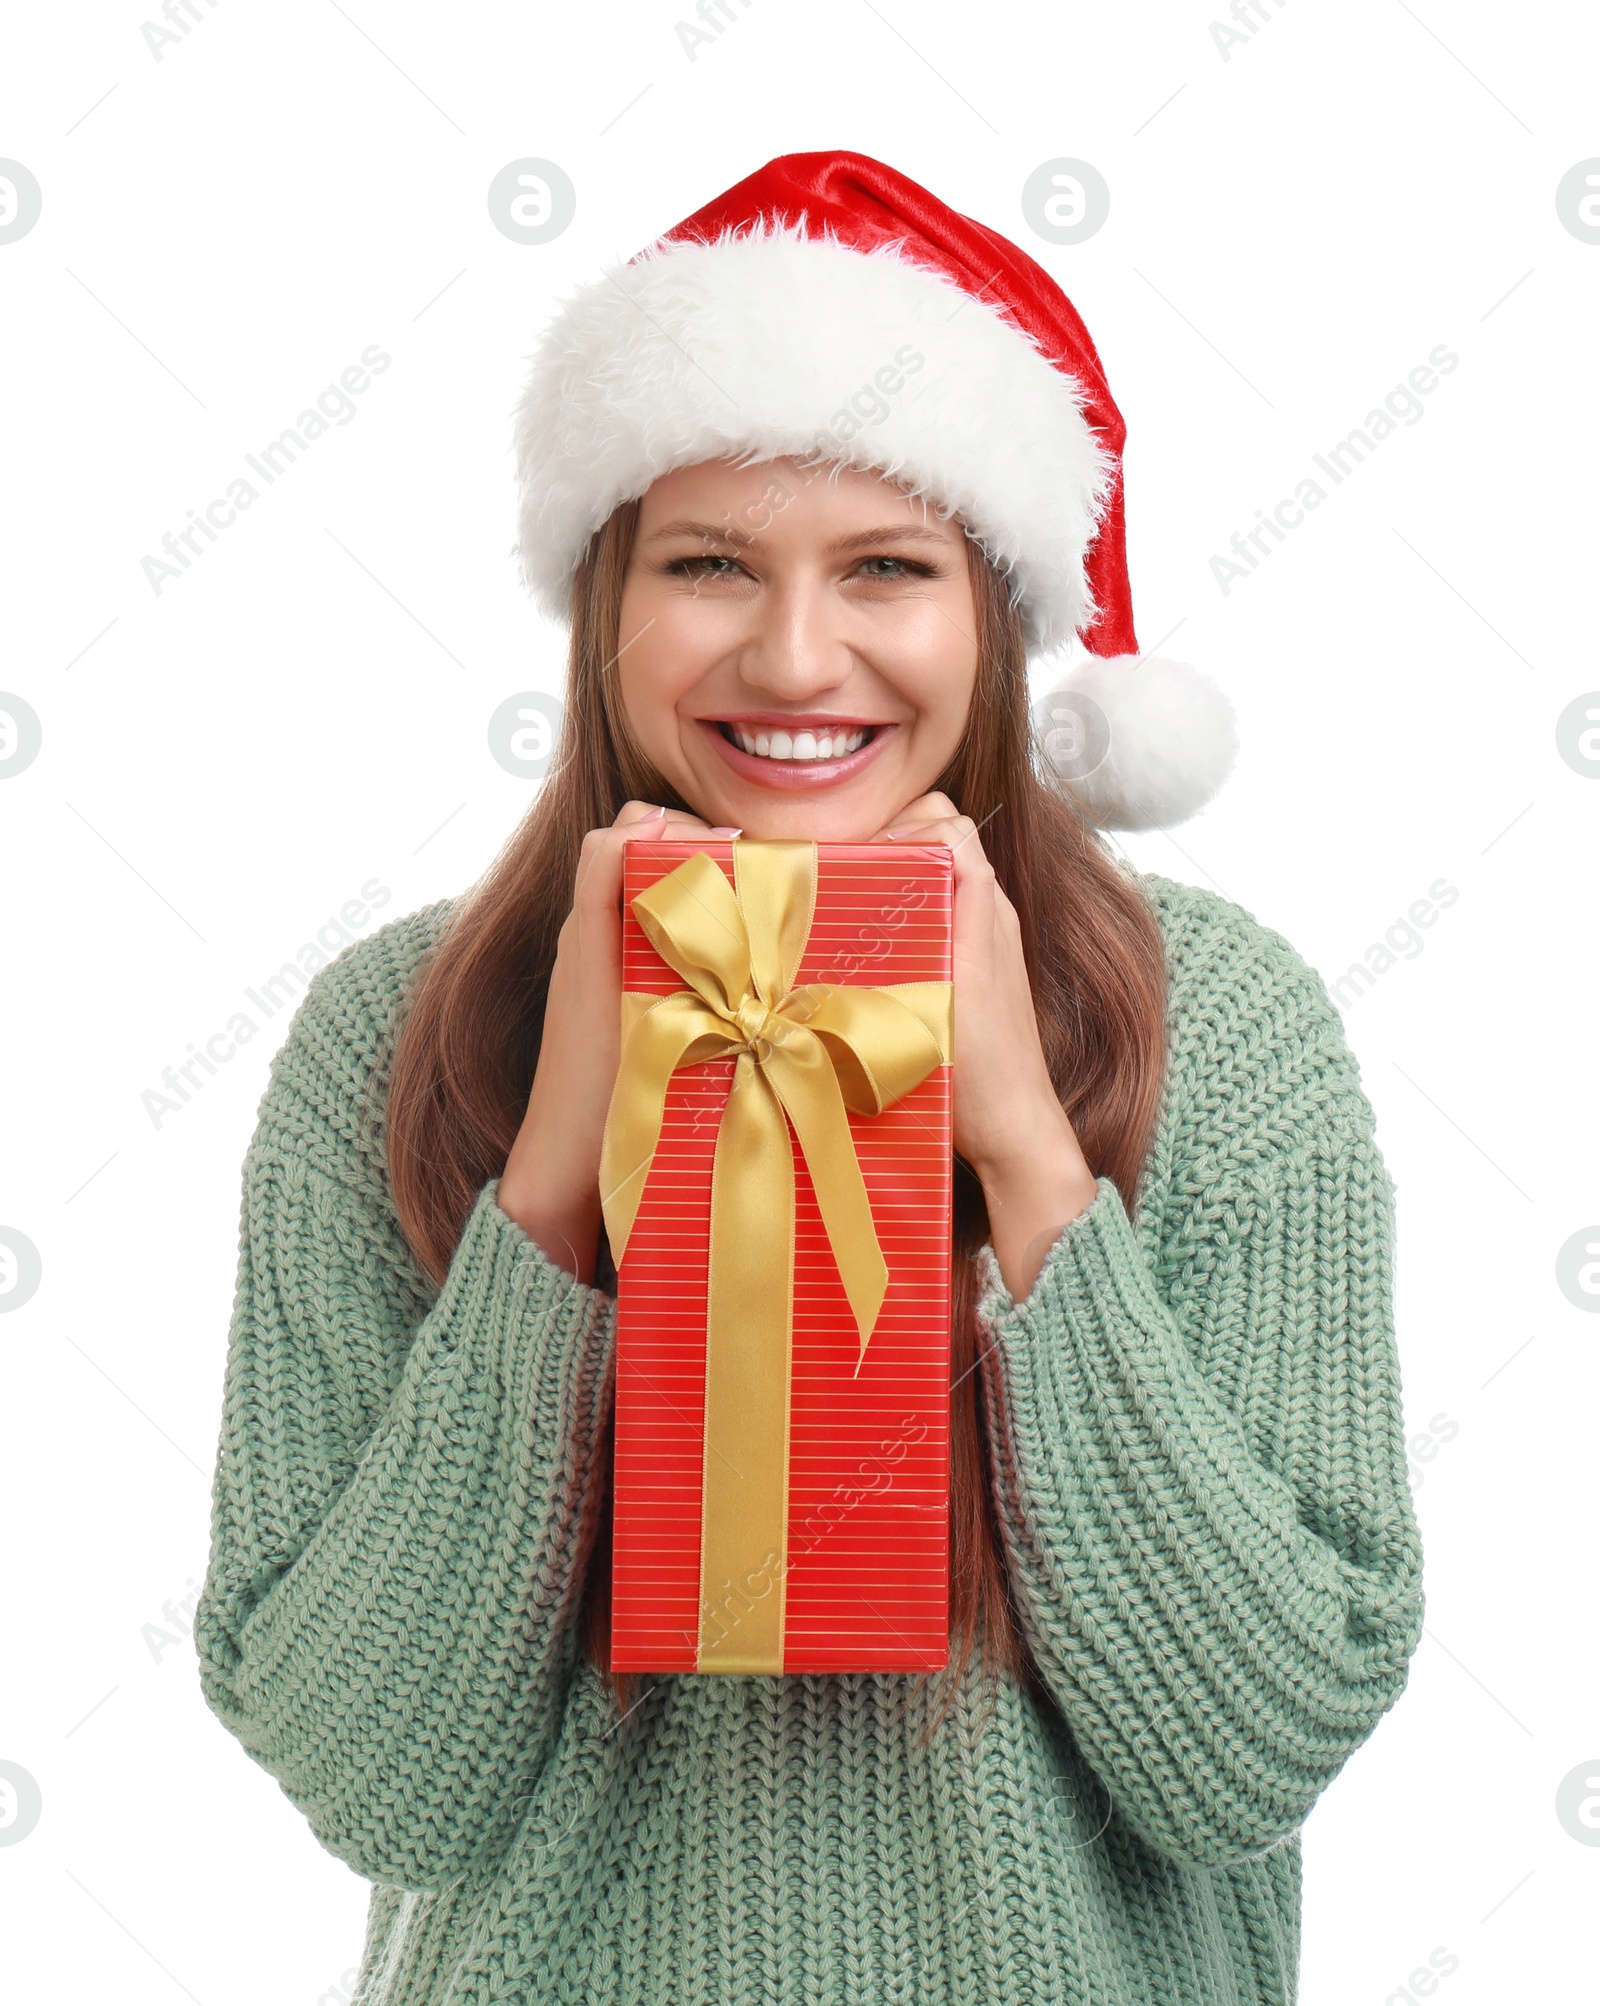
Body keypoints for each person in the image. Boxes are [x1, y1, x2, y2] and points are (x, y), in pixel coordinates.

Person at [195, 152, 1424, 2005]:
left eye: (885, 569)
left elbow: (1256, 1750)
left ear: (994, 619)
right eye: (708, 564)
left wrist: (1023, 1150)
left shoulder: (1226, 1029)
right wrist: (546, 1189)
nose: (792, 655)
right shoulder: (400, 1031)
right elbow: (386, 1787)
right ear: (607, 602)